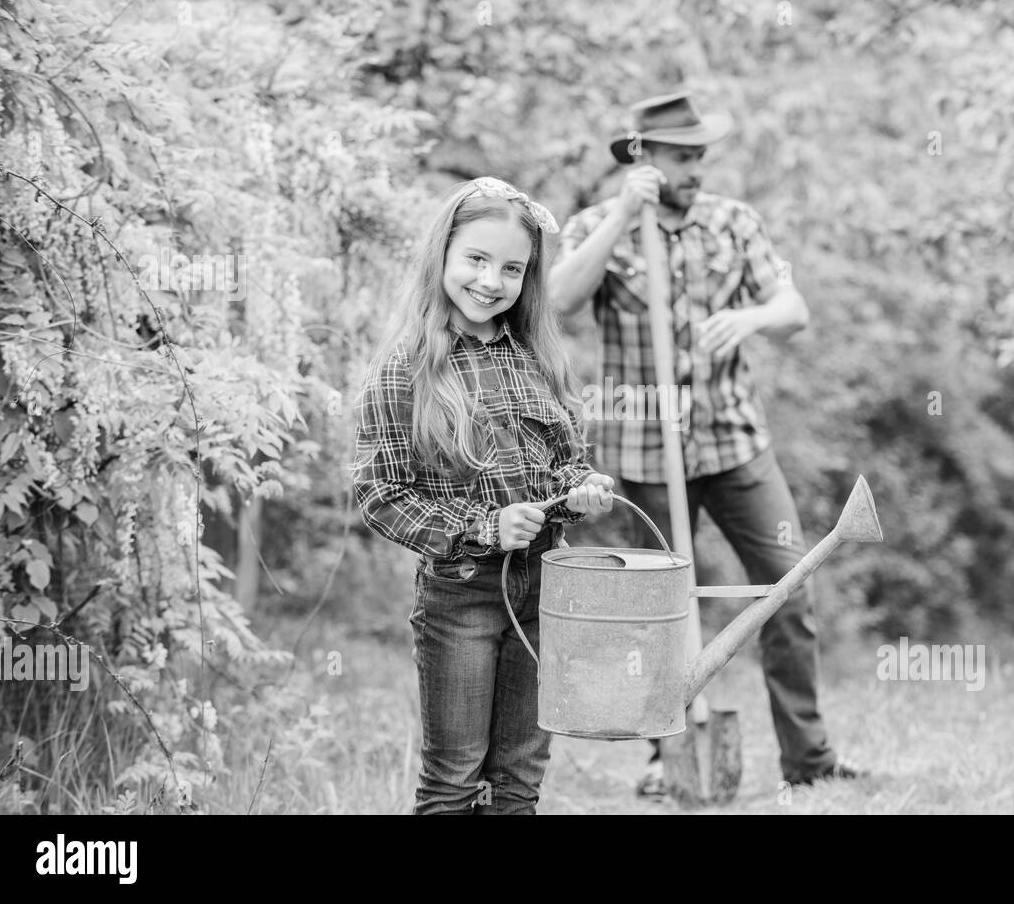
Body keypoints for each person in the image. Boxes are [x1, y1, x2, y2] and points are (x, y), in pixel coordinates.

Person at [551, 92, 862, 793]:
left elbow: (794, 310)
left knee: (787, 587)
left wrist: (751, 319)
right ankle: (670, 758)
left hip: (735, 443)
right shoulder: (597, 225)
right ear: (643, 156)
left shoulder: (733, 221)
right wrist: (625, 218)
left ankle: (810, 764)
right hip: (645, 451)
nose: (697, 167)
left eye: (700, 155)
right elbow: (562, 301)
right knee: (664, 611)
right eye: (683, 156)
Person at [353, 176, 616, 815]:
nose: (491, 281)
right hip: (462, 593)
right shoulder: (406, 367)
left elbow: (563, 463)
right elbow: (380, 492)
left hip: (545, 593)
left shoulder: (536, 357)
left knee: (520, 780)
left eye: (512, 269)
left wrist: (580, 489)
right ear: (442, 254)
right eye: (476, 259)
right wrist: (484, 526)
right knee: (455, 781)